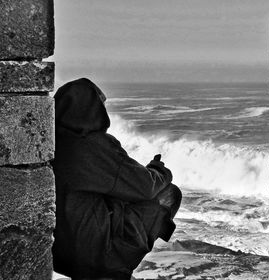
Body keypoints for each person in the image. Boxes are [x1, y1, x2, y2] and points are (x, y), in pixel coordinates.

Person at [51, 78, 182, 280]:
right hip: (95, 253)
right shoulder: (92, 144)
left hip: (59, 254)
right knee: (169, 193)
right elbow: (145, 186)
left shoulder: (50, 143)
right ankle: (117, 269)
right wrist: (159, 170)